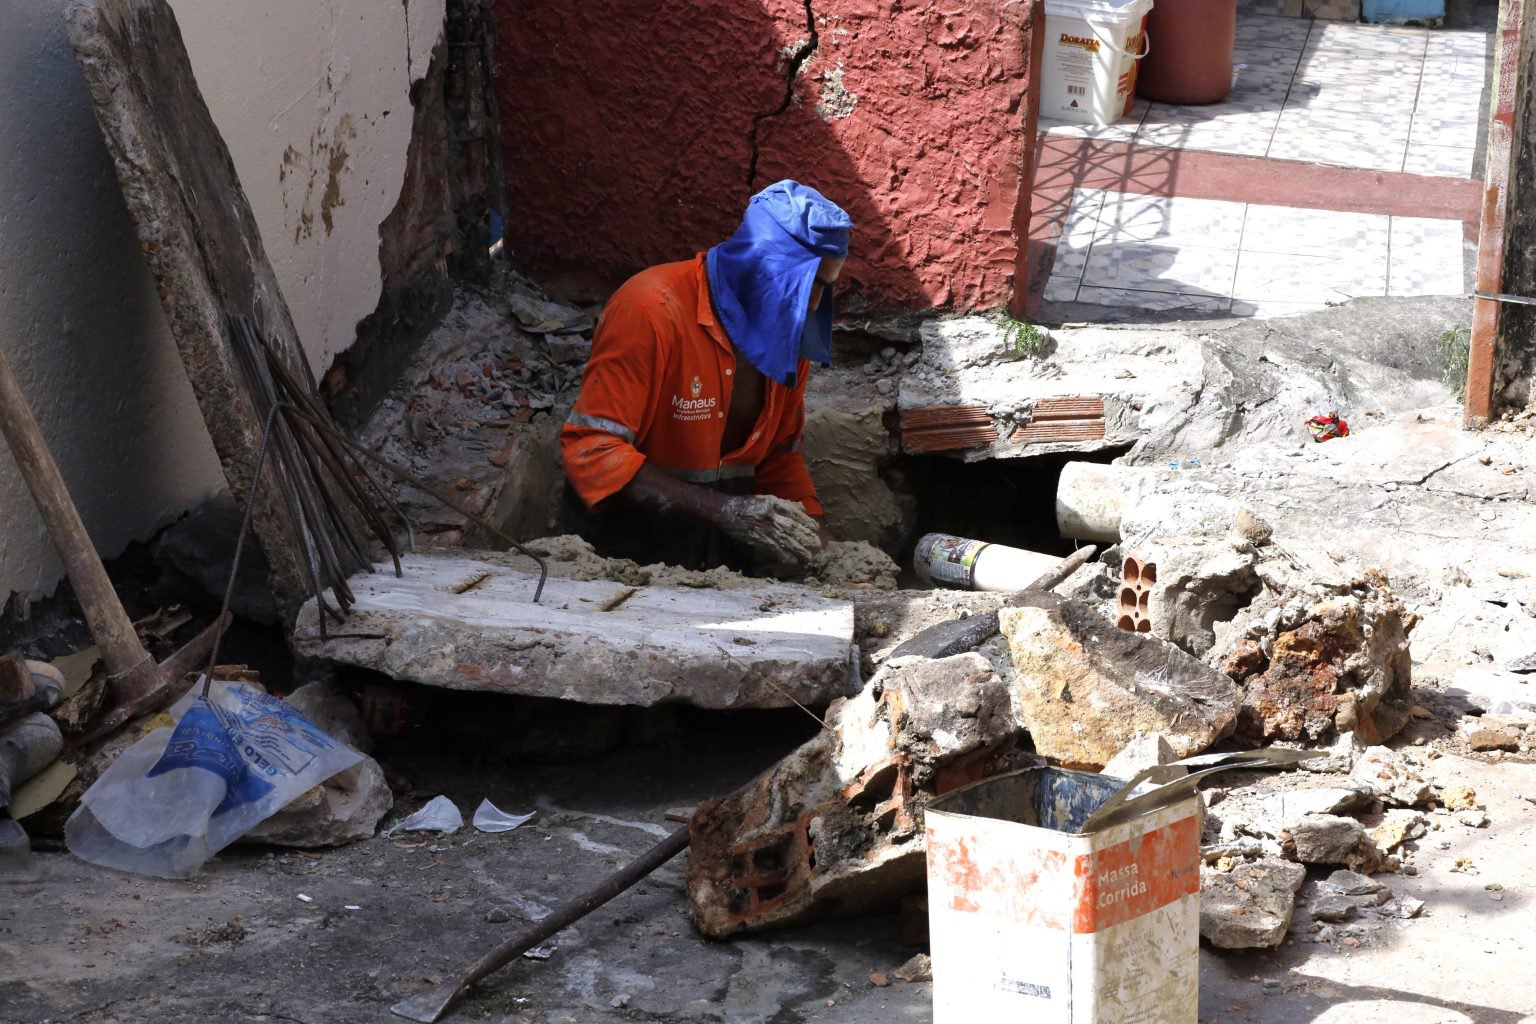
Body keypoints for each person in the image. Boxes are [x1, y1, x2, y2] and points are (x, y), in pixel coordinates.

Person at [559, 180, 850, 570]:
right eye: (805, 286)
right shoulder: (650, 311)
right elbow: (591, 450)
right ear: (760, 269)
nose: (814, 304)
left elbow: (778, 459)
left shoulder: (789, 334)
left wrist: (823, 548)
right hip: (620, 551)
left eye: (825, 288)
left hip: (719, 555)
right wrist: (727, 511)